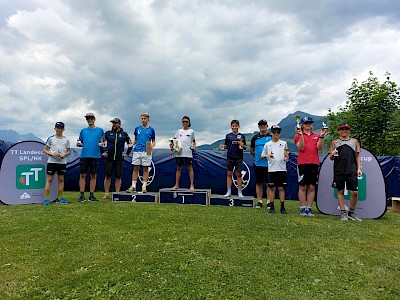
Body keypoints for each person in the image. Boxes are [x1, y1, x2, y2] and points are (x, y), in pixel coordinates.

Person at [294, 116, 327, 216]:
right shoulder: (297, 136)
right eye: (306, 123)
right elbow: (301, 147)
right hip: (303, 163)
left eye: (310, 123)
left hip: (314, 163)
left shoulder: (316, 135)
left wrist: (321, 136)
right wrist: (301, 135)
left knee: (312, 187)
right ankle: (302, 208)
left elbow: (320, 148)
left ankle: (309, 208)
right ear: (302, 125)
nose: (308, 125)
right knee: (303, 186)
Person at [329, 123, 362, 221]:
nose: (344, 131)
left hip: (351, 169)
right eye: (342, 129)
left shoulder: (354, 141)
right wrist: (333, 154)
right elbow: (331, 157)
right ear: (339, 131)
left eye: (346, 129)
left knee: (355, 192)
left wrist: (359, 168)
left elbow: (357, 156)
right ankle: (343, 212)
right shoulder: (334, 142)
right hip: (339, 169)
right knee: (340, 191)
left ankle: (351, 212)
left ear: (349, 131)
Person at [102, 117, 133, 199]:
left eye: (115, 123)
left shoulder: (124, 134)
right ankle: (106, 193)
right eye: (113, 123)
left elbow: (130, 144)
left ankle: (117, 193)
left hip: (119, 159)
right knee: (107, 176)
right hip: (109, 159)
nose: (114, 124)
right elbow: (101, 142)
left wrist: (127, 153)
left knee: (118, 176)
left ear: (119, 124)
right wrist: (103, 152)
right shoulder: (108, 133)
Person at [261, 125, 289, 214]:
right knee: (272, 188)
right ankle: (272, 206)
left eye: (278, 132)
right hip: (272, 169)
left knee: (281, 188)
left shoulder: (284, 143)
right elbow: (262, 155)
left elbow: (287, 155)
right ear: (271, 133)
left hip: (282, 169)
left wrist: (286, 157)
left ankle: (282, 206)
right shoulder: (267, 144)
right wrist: (267, 155)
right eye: (274, 132)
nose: (276, 133)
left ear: (280, 133)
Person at [77, 112, 104, 202]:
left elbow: (103, 142)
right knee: (82, 175)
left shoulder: (100, 130)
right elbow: (80, 142)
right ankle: (81, 196)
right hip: (84, 155)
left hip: (95, 156)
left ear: (94, 119)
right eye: (88, 118)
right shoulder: (83, 131)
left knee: (93, 175)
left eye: (91, 118)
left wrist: (102, 144)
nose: (89, 120)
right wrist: (79, 144)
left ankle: (91, 195)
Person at [126, 112, 156, 193]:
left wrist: (152, 146)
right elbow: (135, 139)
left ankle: (144, 186)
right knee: (135, 169)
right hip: (137, 150)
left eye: (144, 118)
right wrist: (131, 144)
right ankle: (133, 186)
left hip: (147, 149)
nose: (143, 120)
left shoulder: (151, 130)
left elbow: (153, 141)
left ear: (148, 119)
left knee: (145, 169)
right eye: (142, 119)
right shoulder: (137, 129)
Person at [43, 122, 71, 205]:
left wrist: (64, 154)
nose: (59, 129)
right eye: (57, 127)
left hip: (62, 162)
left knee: (61, 180)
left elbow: (69, 151)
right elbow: (44, 150)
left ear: (63, 129)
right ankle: (46, 199)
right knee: (50, 179)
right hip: (52, 161)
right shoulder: (51, 139)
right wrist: (51, 153)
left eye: (60, 128)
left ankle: (60, 198)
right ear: (54, 128)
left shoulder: (66, 140)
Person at [220, 119, 247, 198]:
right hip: (230, 157)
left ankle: (240, 192)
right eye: (233, 126)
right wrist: (223, 146)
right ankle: (228, 191)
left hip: (239, 157)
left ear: (238, 126)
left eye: (236, 126)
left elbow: (245, 147)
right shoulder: (228, 136)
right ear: (231, 127)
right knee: (229, 174)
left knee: (238, 174)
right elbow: (226, 146)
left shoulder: (242, 136)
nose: (234, 127)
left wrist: (242, 145)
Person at [250, 119, 272, 208]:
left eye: (264, 125)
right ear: (259, 127)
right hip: (258, 164)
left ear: (267, 126)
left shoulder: (271, 136)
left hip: (269, 164)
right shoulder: (255, 138)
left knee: (268, 184)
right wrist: (257, 157)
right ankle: (259, 201)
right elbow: (252, 150)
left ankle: (268, 201)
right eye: (261, 125)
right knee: (259, 183)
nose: (263, 127)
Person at [170, 116, 196, 190]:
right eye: (183, 121)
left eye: (186, 122)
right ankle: (176, 185)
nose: (185, 123)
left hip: (188, 153)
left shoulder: (191, 131)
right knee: (178, 168)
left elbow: (194, 142)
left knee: (190, 168)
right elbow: (173, 140)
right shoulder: (179, 131)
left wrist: (193, 147)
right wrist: (171, 146)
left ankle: (191, 185)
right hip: (179, 153)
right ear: (182, 122)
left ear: (189, 123)